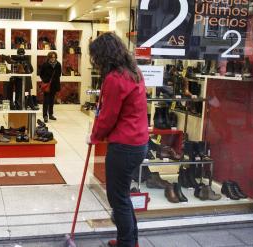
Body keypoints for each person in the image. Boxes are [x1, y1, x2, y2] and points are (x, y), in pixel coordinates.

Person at [88, 33, 149, 247]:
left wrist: (94, 136)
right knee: (123, 196)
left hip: (125, 145)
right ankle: (131, 241)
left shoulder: (115, 79)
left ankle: (127, 244)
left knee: (117, 198)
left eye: (96, 57)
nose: (95, 62)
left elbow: (108, 115)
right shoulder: (134, 72)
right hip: (138, 142)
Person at [39, 51, 61, 122]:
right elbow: (41, 74)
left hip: (54, 85)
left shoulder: (58, 64)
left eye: (54, 57)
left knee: (52, 100)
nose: (53, 59)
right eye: (51, 57)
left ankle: (51, 114)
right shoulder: (45, 64)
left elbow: (59, 74)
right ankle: (45, 115)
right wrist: (46, 80)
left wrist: (55, 80)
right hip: (47, 85)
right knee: (46, 101)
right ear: (49, 57)